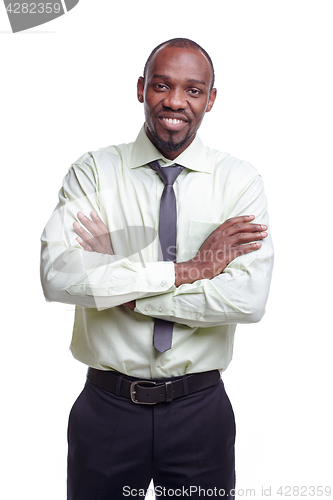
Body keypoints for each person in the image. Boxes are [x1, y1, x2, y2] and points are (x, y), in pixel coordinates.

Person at [40, 38, 274, 499]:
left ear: (210, 99)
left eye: (192, 90)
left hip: (199, 413)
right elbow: (59, 276)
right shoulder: (93, 173)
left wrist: (118, 282)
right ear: (141, 88)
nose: (174, 102)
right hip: (106, 409)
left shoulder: (239, 182)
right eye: (162, 86)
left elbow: (247, 300)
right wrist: (190, 269)